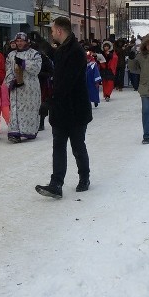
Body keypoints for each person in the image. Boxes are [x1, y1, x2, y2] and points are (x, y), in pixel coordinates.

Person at [35, 16, 92, 199]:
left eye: (52, 31)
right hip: (61, 109)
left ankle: (84, 177)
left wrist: (48, 102)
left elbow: (67, 83)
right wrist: (43, 44)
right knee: (58, 146)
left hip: (75, 109)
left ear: (59, 31)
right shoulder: (63, 48)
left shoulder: (76, 51)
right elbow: (57, 57)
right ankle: (56, 184)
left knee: (77, 146)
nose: (52, 34)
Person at [4, 32, 42, 142]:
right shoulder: (11, 55)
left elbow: (37, 69)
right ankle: (14, 132)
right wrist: (11, 81)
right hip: (16, 88)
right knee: (15, 109)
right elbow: (8, 69)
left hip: (30, 88)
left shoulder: (34, 54)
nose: (19, 43)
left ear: (26, 42)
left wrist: (24, 63)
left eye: (22, 41)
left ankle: (28, 131)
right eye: (17, 41)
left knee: (29, 109)